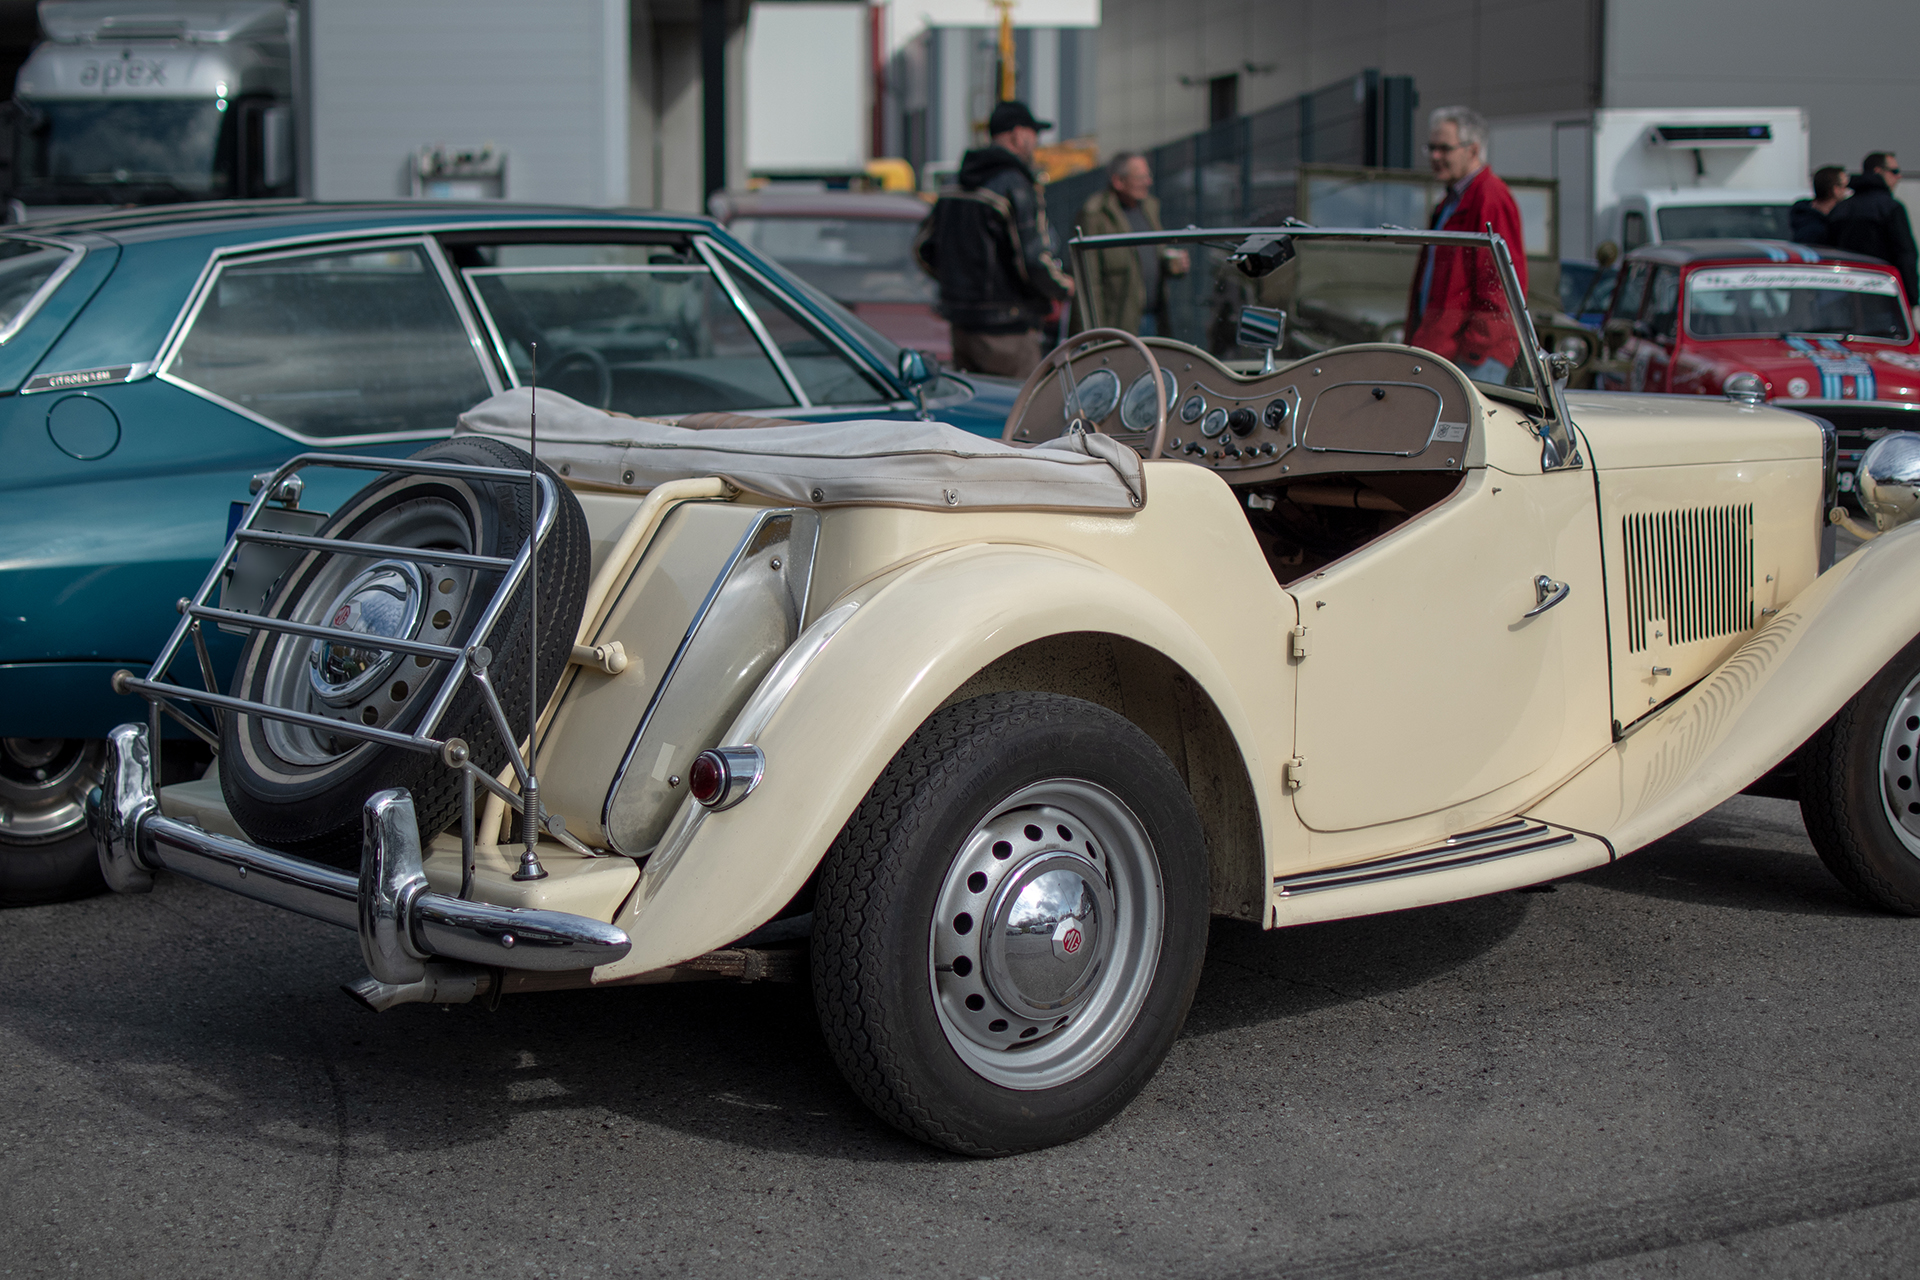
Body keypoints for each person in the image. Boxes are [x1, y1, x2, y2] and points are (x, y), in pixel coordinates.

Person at [914, 100, 1074, 379]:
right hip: (1009, 331)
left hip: (962, 326)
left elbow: (924, 249)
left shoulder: (955, 182)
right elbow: (1033, 261)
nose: (1035, 143)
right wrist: (1064, 287)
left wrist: (958, 289)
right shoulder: (1016, 185)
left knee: (975, 414)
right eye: (1033, 134)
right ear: (1018, 134)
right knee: (1019, 414)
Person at [1405, 105, 1526, 383]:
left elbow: (1501, 284)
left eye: (1444, 149)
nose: (1435, 156)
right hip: (1445, 350)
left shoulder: (1490, 197)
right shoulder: (1451, 200)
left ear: (1472, 150)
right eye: (1431, 148)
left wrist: (1474, 349)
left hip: (1472, 359)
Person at [1074, 152, 1189, 334]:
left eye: (1148, 176)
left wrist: (1171, 264)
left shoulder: (1149, 208)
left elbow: (1153, 256)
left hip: (1153, 318)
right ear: (1118, 181)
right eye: (1140, 177)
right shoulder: (1095, 215)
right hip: (1118, 327)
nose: (1148, 182)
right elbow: (1089, 283)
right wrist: (1094, 335)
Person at [1826, 152, 1918, 304]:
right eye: (1894, 171)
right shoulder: (1890, 208)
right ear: (1878, 171)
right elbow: (1906, 255)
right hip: (1883, 294)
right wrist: (1911, 297)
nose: (1899, 176)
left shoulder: (1841, 209)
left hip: (1846, 294)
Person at [1790, 165, 1851, 245]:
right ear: (1835, 190)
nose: (1848, 191)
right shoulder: (1815, 230)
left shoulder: (1803, 216)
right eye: (1845, 186)